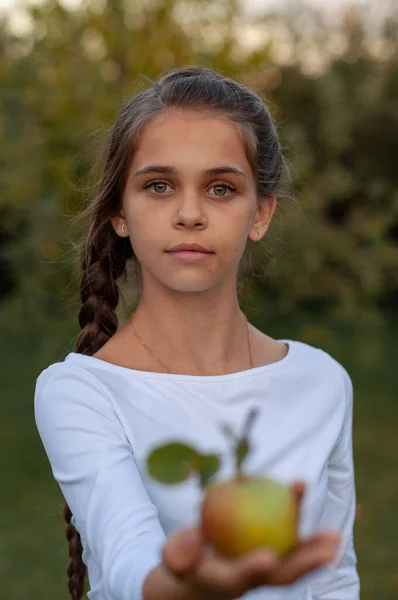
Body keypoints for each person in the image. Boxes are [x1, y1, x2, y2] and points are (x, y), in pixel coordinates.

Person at [34, 67, 360, 600]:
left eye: (221, 188)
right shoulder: (81, 392)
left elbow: (334, 578)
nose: (189, 214)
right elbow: (127, 564)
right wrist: (186, 583)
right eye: (159, 186)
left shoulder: (322, 382)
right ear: (120, 211)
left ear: (260, 212)